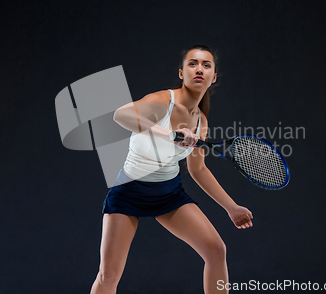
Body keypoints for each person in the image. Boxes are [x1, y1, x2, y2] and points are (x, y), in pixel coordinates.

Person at [91, 45, 253, 294]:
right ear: (181, 73)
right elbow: (120, 115)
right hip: (128, 193)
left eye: (206, 65)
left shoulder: (201, 122)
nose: (199, 68)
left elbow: (198, 170)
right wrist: (172, 134)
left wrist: (231, 207)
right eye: (193, 63)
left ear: (214, 77)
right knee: (108, 275)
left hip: (169, 195)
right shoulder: (162, 101)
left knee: (216, 251)